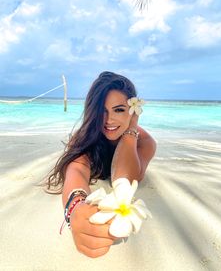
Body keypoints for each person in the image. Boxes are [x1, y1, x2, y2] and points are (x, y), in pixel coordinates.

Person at [46, 71, 156, 258]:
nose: (109, 120)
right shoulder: (84, 138)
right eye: (101, 111)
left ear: (133, 110)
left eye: (119, 109)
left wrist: (131, 129)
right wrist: (76, 208)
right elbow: (77, 169)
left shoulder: (146, 143)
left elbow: (124, 180)